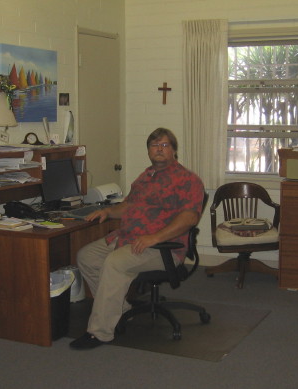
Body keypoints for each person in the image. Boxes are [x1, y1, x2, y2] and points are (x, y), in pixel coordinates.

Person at [70, 128, 204, 350]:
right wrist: (108, 213)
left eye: (164, 145)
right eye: (154, 146)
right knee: (86, 256)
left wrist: (154, 237)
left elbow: (189, 218)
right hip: (127, 237)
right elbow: (129, 205)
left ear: (174, 150)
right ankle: (120, 309)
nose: (159, 150)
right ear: (149, 151)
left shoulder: (188, 180)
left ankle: (100, 332)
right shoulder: (145, 177)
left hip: (163, 247)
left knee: (115, 263)